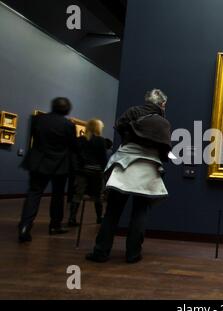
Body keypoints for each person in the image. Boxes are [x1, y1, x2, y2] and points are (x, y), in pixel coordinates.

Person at [86, 89, 172, 264]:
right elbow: (164, 150)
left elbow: (119, 127)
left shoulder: (133, 112)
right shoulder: (163, 123)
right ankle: (133, 254)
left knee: (113, 211)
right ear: (162, 104)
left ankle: (101, 251)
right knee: (140, 212)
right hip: (148, 169)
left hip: (125, 164)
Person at [18, 98, 76, 243]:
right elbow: (72, 145)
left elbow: (33, 139)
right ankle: (55, 225)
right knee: (57, 195)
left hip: (39, 161)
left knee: (33, 193)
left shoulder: (38, 119)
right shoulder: (68, 125)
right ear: (67, 110)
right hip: (60, 164)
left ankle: (25, 226)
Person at [68, 119, 108, 227]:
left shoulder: (80, 139)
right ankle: (99, 218)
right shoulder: (100, 140)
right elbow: (103, 158)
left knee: (78, 194)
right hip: (96, 171)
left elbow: (75, 156)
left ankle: (72, 218)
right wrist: (105, 172)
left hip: (82, 171)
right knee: (97, 195)